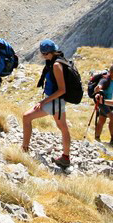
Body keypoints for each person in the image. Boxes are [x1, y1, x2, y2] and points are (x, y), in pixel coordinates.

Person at [21, 40, 72, 168]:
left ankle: (24, 149)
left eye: (44, 54)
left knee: (26, 117)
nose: (43, 56)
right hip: (58, 102)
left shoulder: (56, 65)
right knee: (63, 127)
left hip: (54, 101)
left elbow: (62, 90)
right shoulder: (59, 60)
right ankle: (65, 157)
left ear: (49, 53)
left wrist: (43, 101)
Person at [90, 64, 113, 148]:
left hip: (109, 102)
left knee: (102, 120)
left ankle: (97, 138)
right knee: (112, 117)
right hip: (102, 102)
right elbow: (100, 85)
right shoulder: (105, 79)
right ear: (110, 73)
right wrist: (98, 88)